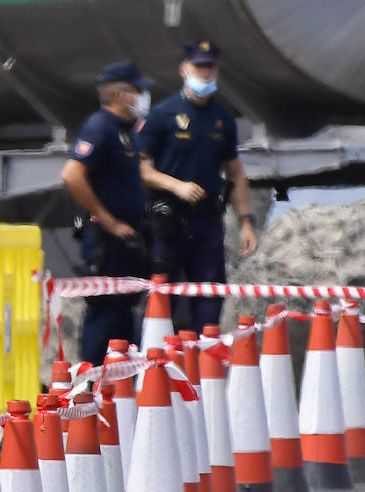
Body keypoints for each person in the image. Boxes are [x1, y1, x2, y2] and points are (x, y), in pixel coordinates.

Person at [138, 40, 258, 332]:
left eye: (209, 67)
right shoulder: (163, 114)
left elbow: (236, 174)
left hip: (206, 222)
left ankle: (205, 373)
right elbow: (138, 165)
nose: (204, 73)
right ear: (184, 69)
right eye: (198, 66)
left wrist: (246, 223)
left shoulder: (223, 119)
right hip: (168, 220)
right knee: (162, 298)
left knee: (209, 298)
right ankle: (159, 368)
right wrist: (175, 186)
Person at [61, 61, 153, 364]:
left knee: (124, 314)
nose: (142, 96)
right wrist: (109, 221)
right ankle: (92, 384)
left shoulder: (125, 132)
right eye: (137, 90)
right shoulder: (99, 127)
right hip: (107, 241)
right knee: (104, 313)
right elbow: (72, 175)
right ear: (121, 94)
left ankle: (121, 387)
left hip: (127, 239)